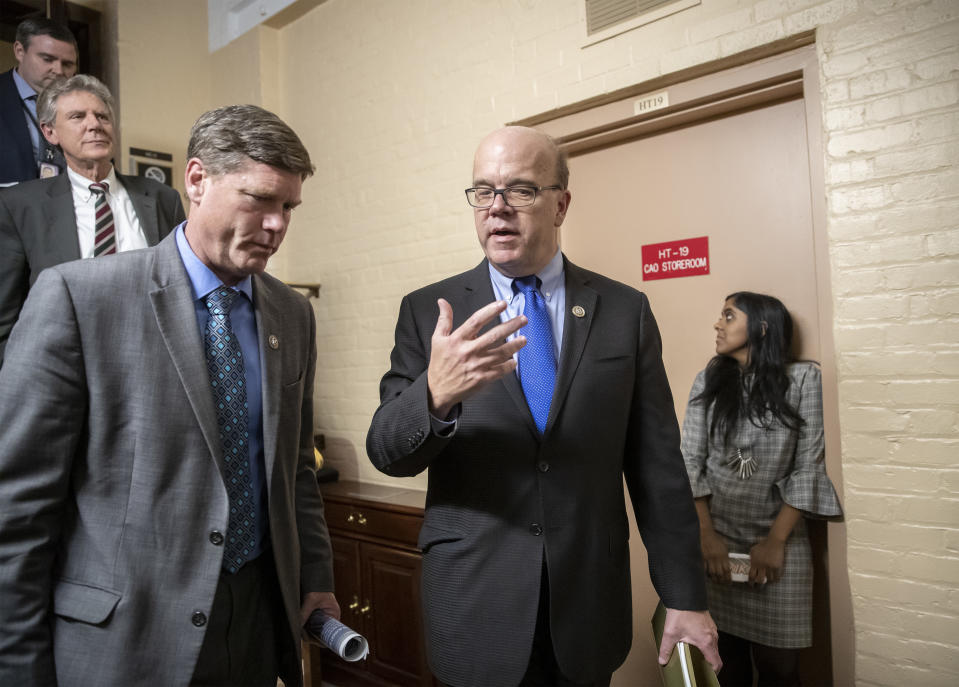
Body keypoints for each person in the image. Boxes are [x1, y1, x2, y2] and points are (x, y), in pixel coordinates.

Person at [367, 125, 721, 687]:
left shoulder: (623, 310)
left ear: (561, 203)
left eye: (521, 190)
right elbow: (387, 451)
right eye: (483, 191)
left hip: (585, 602)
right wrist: (434, 394)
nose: (498, 209)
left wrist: (684, 595)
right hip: (475, 599)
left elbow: (658, 467)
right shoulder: (429, 312)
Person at [0, 104, 339, 687]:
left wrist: (316, 578)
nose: (278, 224)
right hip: (125, 642)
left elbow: (294, 475)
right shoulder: (80, 299)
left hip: (257, 628)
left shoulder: (292, 314)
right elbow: (17, 513)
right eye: (259, 199)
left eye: (288, 207)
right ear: (197, 179)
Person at [680, 291, 843, 687]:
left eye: (729, 316)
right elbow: (689, 460)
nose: (718, 324)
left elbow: (809, 464)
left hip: (780, 546)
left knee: (780, 669)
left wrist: (775, 542)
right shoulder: (710, 379)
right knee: (724, 663)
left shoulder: (803, 379)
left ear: (762, 327)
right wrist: (706, 536)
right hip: (715, 543)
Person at [0, 73, 185, 365]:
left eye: (102, 116)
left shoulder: (163, 198)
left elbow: (181, 290)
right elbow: (5, 316)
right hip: (59, 367)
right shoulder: (20, 206)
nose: (94, 125)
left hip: (150, 362)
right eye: (77, 116)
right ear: (50, 132)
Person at [0, 17, 77, 185]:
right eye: (47, 59)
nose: (58, 70)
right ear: (19, 51)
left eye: (67, 64)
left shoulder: (83, 106)